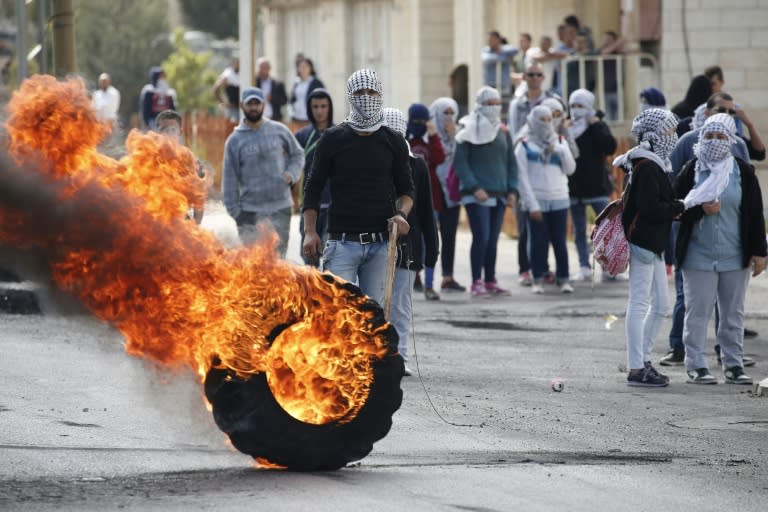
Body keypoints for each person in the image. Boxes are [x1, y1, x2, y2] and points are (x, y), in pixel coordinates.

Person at [662, 92, 760, 367]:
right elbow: (674, 205)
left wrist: (759, 252)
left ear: (730, 139)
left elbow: (753, 214)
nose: (715, 142)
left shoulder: (742, 171)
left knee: (732, 314)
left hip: (733, 254)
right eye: (710, 136)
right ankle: (693, 363)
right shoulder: (691, 167)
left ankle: (732, 363)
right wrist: (698, 209)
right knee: (695, 311)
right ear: (701, 135)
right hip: (697, 255)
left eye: (721, 137)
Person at [302, 69, 414, 307]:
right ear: (350, 96)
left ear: (380, 94)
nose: (366, 96)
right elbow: (312, 188)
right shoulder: (333, 139)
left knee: (373, 318)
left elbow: (407, 190)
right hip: (342, 243)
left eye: (371, 91)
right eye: (360, 92)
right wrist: (310, 231)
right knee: (337, 314)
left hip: (381, 244)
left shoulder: (392, 140)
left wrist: (401, 214)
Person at [613, 108, 685, 387]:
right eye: (668, 132)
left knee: (660, 306)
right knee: (640, 303)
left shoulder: (653, 163)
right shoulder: (647, 166)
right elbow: (650, 207)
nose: (672, 137)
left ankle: (642, 359)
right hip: (644, 244)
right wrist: (680, 206)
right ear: (654, 135)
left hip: (652, 245)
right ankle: (635, 367)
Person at [382, 107, 439, 377]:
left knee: (401, 302)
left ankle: (401, 355)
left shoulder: (415, 164)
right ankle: (378, 353)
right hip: (378, 243)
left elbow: (426, 210)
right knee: (377, 299)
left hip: (409, 245)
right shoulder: (373, 162)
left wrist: (432, 249)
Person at [222, 87, 304, 258]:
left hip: (280, 208)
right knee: (255, 268)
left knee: (278, 266)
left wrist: (291, 173)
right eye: (249, 104)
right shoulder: (234, 140)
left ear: (263, 105)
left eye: (257, 103)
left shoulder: (278, 130)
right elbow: (229, 181)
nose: (253, 107)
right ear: (242, 106)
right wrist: (237, 214)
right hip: (250, 212)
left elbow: (298, 154)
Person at [453, 86, 517, 298]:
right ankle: (476, 281)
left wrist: (512, 189)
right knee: (481, 237)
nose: (494, 107)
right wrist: (474, 187)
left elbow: (511, 162)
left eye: (497, 103)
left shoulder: (503, 131)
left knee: (492, 239)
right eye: (490, 103)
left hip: (499, 193)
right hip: (477, 194)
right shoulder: (467, 128)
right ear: (480, 104)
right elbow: (461, 163)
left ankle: (490, 280)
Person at [515, 105, 576, 294]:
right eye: (542, 119)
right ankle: (538, 279)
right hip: (537, 200)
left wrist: (560, 150)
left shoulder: (560, 141)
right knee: (538, 242)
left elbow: (570, 169)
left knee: (560, 241)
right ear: (533, 121)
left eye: (549, 119)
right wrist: (531, 205)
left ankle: (563, 278)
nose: (547, 123)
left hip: (559, 198)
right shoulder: (524, 145)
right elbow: (521, 178)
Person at [566, 89, 617, 281]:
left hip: (596, 187)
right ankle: (583, 266)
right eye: (573, 106)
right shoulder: (567, 126)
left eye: (580, 106)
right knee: (579, 230)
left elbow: (610, 146)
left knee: (605, 230)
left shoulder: (597, 125)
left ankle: (608, 267)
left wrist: (596, 125)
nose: (576, 110)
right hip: (574, 188)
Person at [406, 102, 445, 301]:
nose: (420, 124)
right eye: (417, 121)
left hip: (430, 198)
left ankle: (430, 285)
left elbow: (440, 157)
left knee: (430, 242)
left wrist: (433, 134)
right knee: (412, 243)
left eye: (424, 120)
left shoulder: (429, 142)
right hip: (408, 200)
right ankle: (415, 277)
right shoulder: (407, 141)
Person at [430, 97, 467, 293]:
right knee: (427, 236)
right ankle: (421, 277)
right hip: (432, 189)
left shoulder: (460, 135)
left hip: (451, 190)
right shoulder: (429, 135)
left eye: (453, 113)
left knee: (449, 235)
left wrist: (455, 137)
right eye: (445, 113)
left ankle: (447, 276)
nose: (449, 118)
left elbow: (462, 158)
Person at [296, 88, 334, 266]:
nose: (319, 111)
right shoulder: (303, 136)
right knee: (309, 259)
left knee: (331, 258)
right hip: (309, 206)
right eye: (315, 106)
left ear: (330, 108)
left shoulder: (339, 134)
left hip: (334, 207)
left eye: (323, 106)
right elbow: (293, 167)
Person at [155, 109, 207, 224]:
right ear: (158, 132)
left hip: (180, 221)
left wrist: (196, 225)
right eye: (164, 129)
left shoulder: (189, 159)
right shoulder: (147, 157)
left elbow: (199, 196)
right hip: (154, 220)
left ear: (180, 132)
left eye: (173, 129)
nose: (168, 133)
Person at [289, 58, 325, 132]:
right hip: (296, 117)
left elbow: (322, 99)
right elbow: (293, 99)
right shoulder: (296, 82)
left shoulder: (316, 82)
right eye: (301, 67)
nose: (303, 69)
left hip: (309, 118)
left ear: (311, 68)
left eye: (306, 66)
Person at [481, 30, 517, 101]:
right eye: (488, 40)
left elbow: (515, 49)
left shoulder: (504, 49)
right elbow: (487, 58)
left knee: (505, 107)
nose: (489, 42)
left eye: (491, 40)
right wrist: (505, 57)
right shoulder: (485, 50)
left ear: (498, 40)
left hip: (504, 86)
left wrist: (501, 51)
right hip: (490, 86)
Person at [139, 66, 176, 131]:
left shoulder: (169, 92)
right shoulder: (149, 91)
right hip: (153, 122)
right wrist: (147, 123)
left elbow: (172, 108)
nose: (163, 79)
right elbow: (145, 109)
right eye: (161, 76)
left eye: (164, 76)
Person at [255, 57, 288, 122]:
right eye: (260, 67)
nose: (262, 70)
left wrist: (272, 98)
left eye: (264, 67)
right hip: (257, 119)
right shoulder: (254, 83)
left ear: (269, 68)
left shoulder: (278, 84)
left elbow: (284, 101)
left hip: (274, 118)